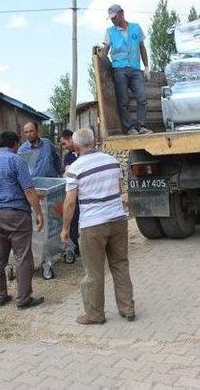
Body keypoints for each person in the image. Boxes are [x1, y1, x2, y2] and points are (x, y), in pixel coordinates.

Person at [60, 128, 135, 325]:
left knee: (94, 271)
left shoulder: (74, 169)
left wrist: (65, 229)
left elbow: (69, 203)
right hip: (118, 220)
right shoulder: (112, 161)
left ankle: (95, 314)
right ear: (95, 141)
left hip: (92, 225)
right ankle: (127, 308)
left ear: (75, 146)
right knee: (120, 264)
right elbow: (118, 191)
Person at [0, 131, 45, 309]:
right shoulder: (16, 160)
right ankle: (24, 299)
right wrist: (38, 212)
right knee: (23, 257)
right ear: (15, 144)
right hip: (17, 214)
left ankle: (0, 296)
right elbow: (28, 190)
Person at [100, 4, 153, 136]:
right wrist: (99, 61)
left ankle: (141, 126)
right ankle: (129, 129)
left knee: (142, 97)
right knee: (123, 101)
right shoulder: (110, 32)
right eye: (111, 18)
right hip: (119, 69)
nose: (112, 20)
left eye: (114, 17)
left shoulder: (135, 27)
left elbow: (142, 48)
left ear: (121, 14)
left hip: (135, 68)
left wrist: (146, 67)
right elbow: (105, 52)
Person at [59, 129, 80, 255]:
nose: (64, 146)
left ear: (71, 139)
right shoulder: (68, 156)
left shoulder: (83, 152)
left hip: (85, 192)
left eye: (64, 143)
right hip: (74, 193)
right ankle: (74, 247)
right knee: (73, 219)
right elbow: (66, 174)